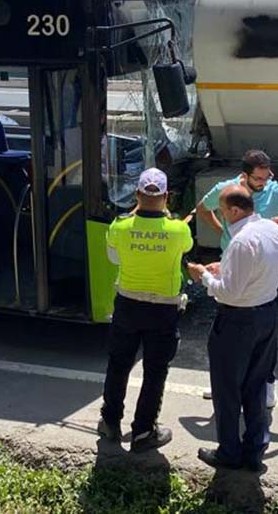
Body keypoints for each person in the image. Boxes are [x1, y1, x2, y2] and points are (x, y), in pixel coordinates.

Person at [196, 149, 278, 407]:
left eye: (267, 176)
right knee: (227, 330)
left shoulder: (276, 191)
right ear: (245, 176)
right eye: (259, 179)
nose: (264, 182)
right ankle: (225, 381)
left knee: (264, 335)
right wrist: (223, 230)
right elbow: (202, 209)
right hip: (233, 260)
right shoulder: (226, 190)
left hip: (261, 270)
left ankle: (268, 384)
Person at [188, 183, 278, 471]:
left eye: (221, 209)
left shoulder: (241, 242)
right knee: (256, 385)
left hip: (237, 320)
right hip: (267, 314)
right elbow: (257, 270)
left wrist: (203, 275)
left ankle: (229, 452)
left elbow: (228, 292)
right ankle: (255, 451)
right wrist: (226, 268)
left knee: (227, 389)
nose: (219, 215)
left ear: (233, 210)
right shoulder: (272, 230)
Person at [98, 167, 194, 453]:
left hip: (127, 305)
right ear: (166, 197)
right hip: (163, 310)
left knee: (118, 365)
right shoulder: (179, 229)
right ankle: (143, 432)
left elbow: (114, 257)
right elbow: (185, 250)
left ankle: (110, 423)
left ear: (137, 194)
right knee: (155, 371)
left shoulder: (119, 226)